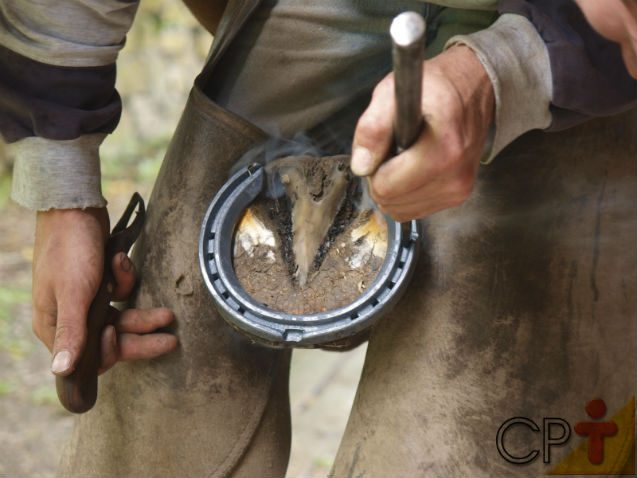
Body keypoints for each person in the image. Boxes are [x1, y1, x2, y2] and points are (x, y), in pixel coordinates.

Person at [1, 0, 635, 476]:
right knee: (158, 407)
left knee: (466, 434)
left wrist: (506, 73)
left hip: (564, 38)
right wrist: (63, 183)